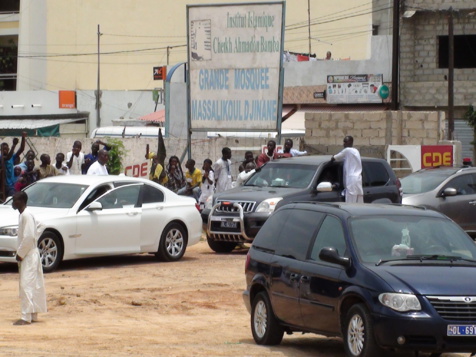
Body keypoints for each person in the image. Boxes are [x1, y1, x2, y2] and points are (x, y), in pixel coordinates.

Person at [12, 191, 47, 325]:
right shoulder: (24, 215)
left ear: (21, 201)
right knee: (32, 284)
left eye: (15, 200)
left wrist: (20, 253)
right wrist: (33, 242)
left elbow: (28, 237)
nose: (12, 203)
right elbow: (40, 226)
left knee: (26, 284)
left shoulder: (26, 215)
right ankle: (32, 314)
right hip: (31, 253)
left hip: (28, 255)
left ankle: (25, 317)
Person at [330, 135, 364, 203]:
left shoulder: (347, 150)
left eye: (345, 142)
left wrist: (332, 158)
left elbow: (335, 158)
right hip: (358, 179)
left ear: (350, 142)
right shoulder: (356, 151)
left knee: (350, 202)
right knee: (359, 202)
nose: (344, 144)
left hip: (351, 180)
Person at [0, 132, 27, 197]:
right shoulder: (1, 157)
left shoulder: (12, 157)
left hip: (11, 184)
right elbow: (7, 157)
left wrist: (23, 137)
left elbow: (21, 149)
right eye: (3, 149)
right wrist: (14, 145)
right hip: (4, 185)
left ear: (8, 149)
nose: (5, 151)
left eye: (6, 149)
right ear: (0, 150)